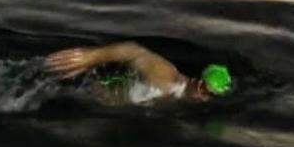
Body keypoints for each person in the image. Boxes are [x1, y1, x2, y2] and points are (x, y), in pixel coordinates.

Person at [44, 41, 231, 102]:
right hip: (82, 90)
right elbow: (134, 51)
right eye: (206, 92)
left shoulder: (177, 97)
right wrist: (92, 57)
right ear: (199, 83)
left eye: (211, 97)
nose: (204, 100)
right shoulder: (169, 77)